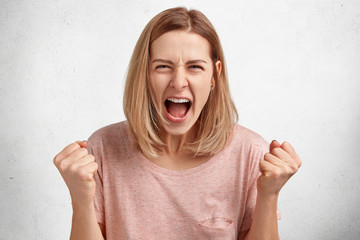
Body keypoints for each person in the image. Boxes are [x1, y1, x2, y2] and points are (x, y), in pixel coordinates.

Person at [53, 7, 302, 240]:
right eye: (163, 66)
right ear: (145, 73)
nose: (178, 81)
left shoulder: (250, 154)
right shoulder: (103, 149)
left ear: (215, 75)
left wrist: (269, 195)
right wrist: (80, 199)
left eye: (195, 67)